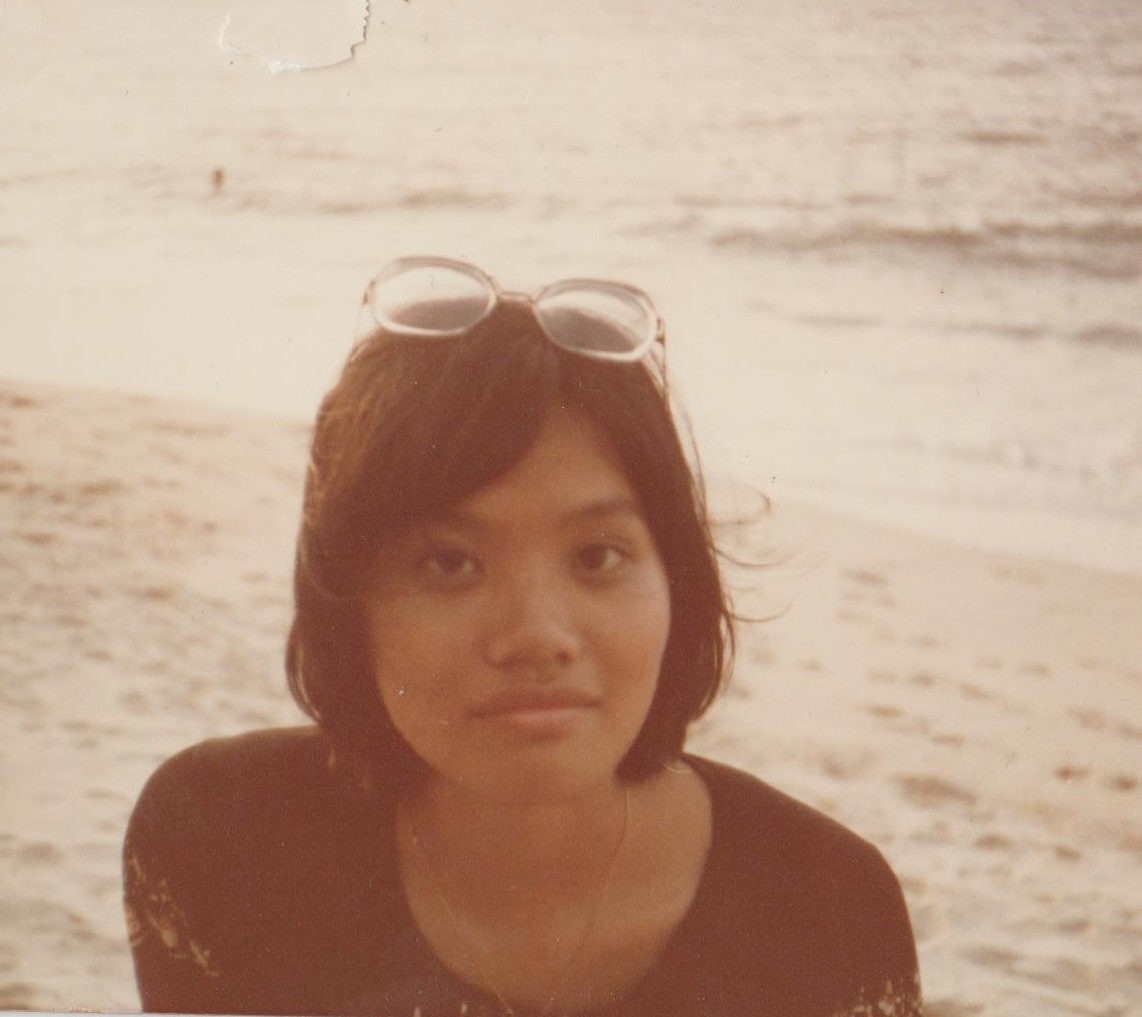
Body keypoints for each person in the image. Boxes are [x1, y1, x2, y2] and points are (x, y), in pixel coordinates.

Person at [123, 256, 922, 1017]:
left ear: (677, 578)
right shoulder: (220, 842)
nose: (537, 635)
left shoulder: (826, 908)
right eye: (449, 562)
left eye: (597, 556)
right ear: (349, 599)